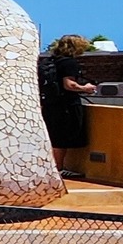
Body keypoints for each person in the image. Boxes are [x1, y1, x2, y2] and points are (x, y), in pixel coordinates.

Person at [40, 34, 99, 177]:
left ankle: (52, 168)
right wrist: (86, 88)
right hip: (66, 105)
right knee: (61, 138)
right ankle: (58, 169)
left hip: (50, 104)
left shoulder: (51, 61)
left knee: (53, 136)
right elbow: (69, 85)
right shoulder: (69, 63)